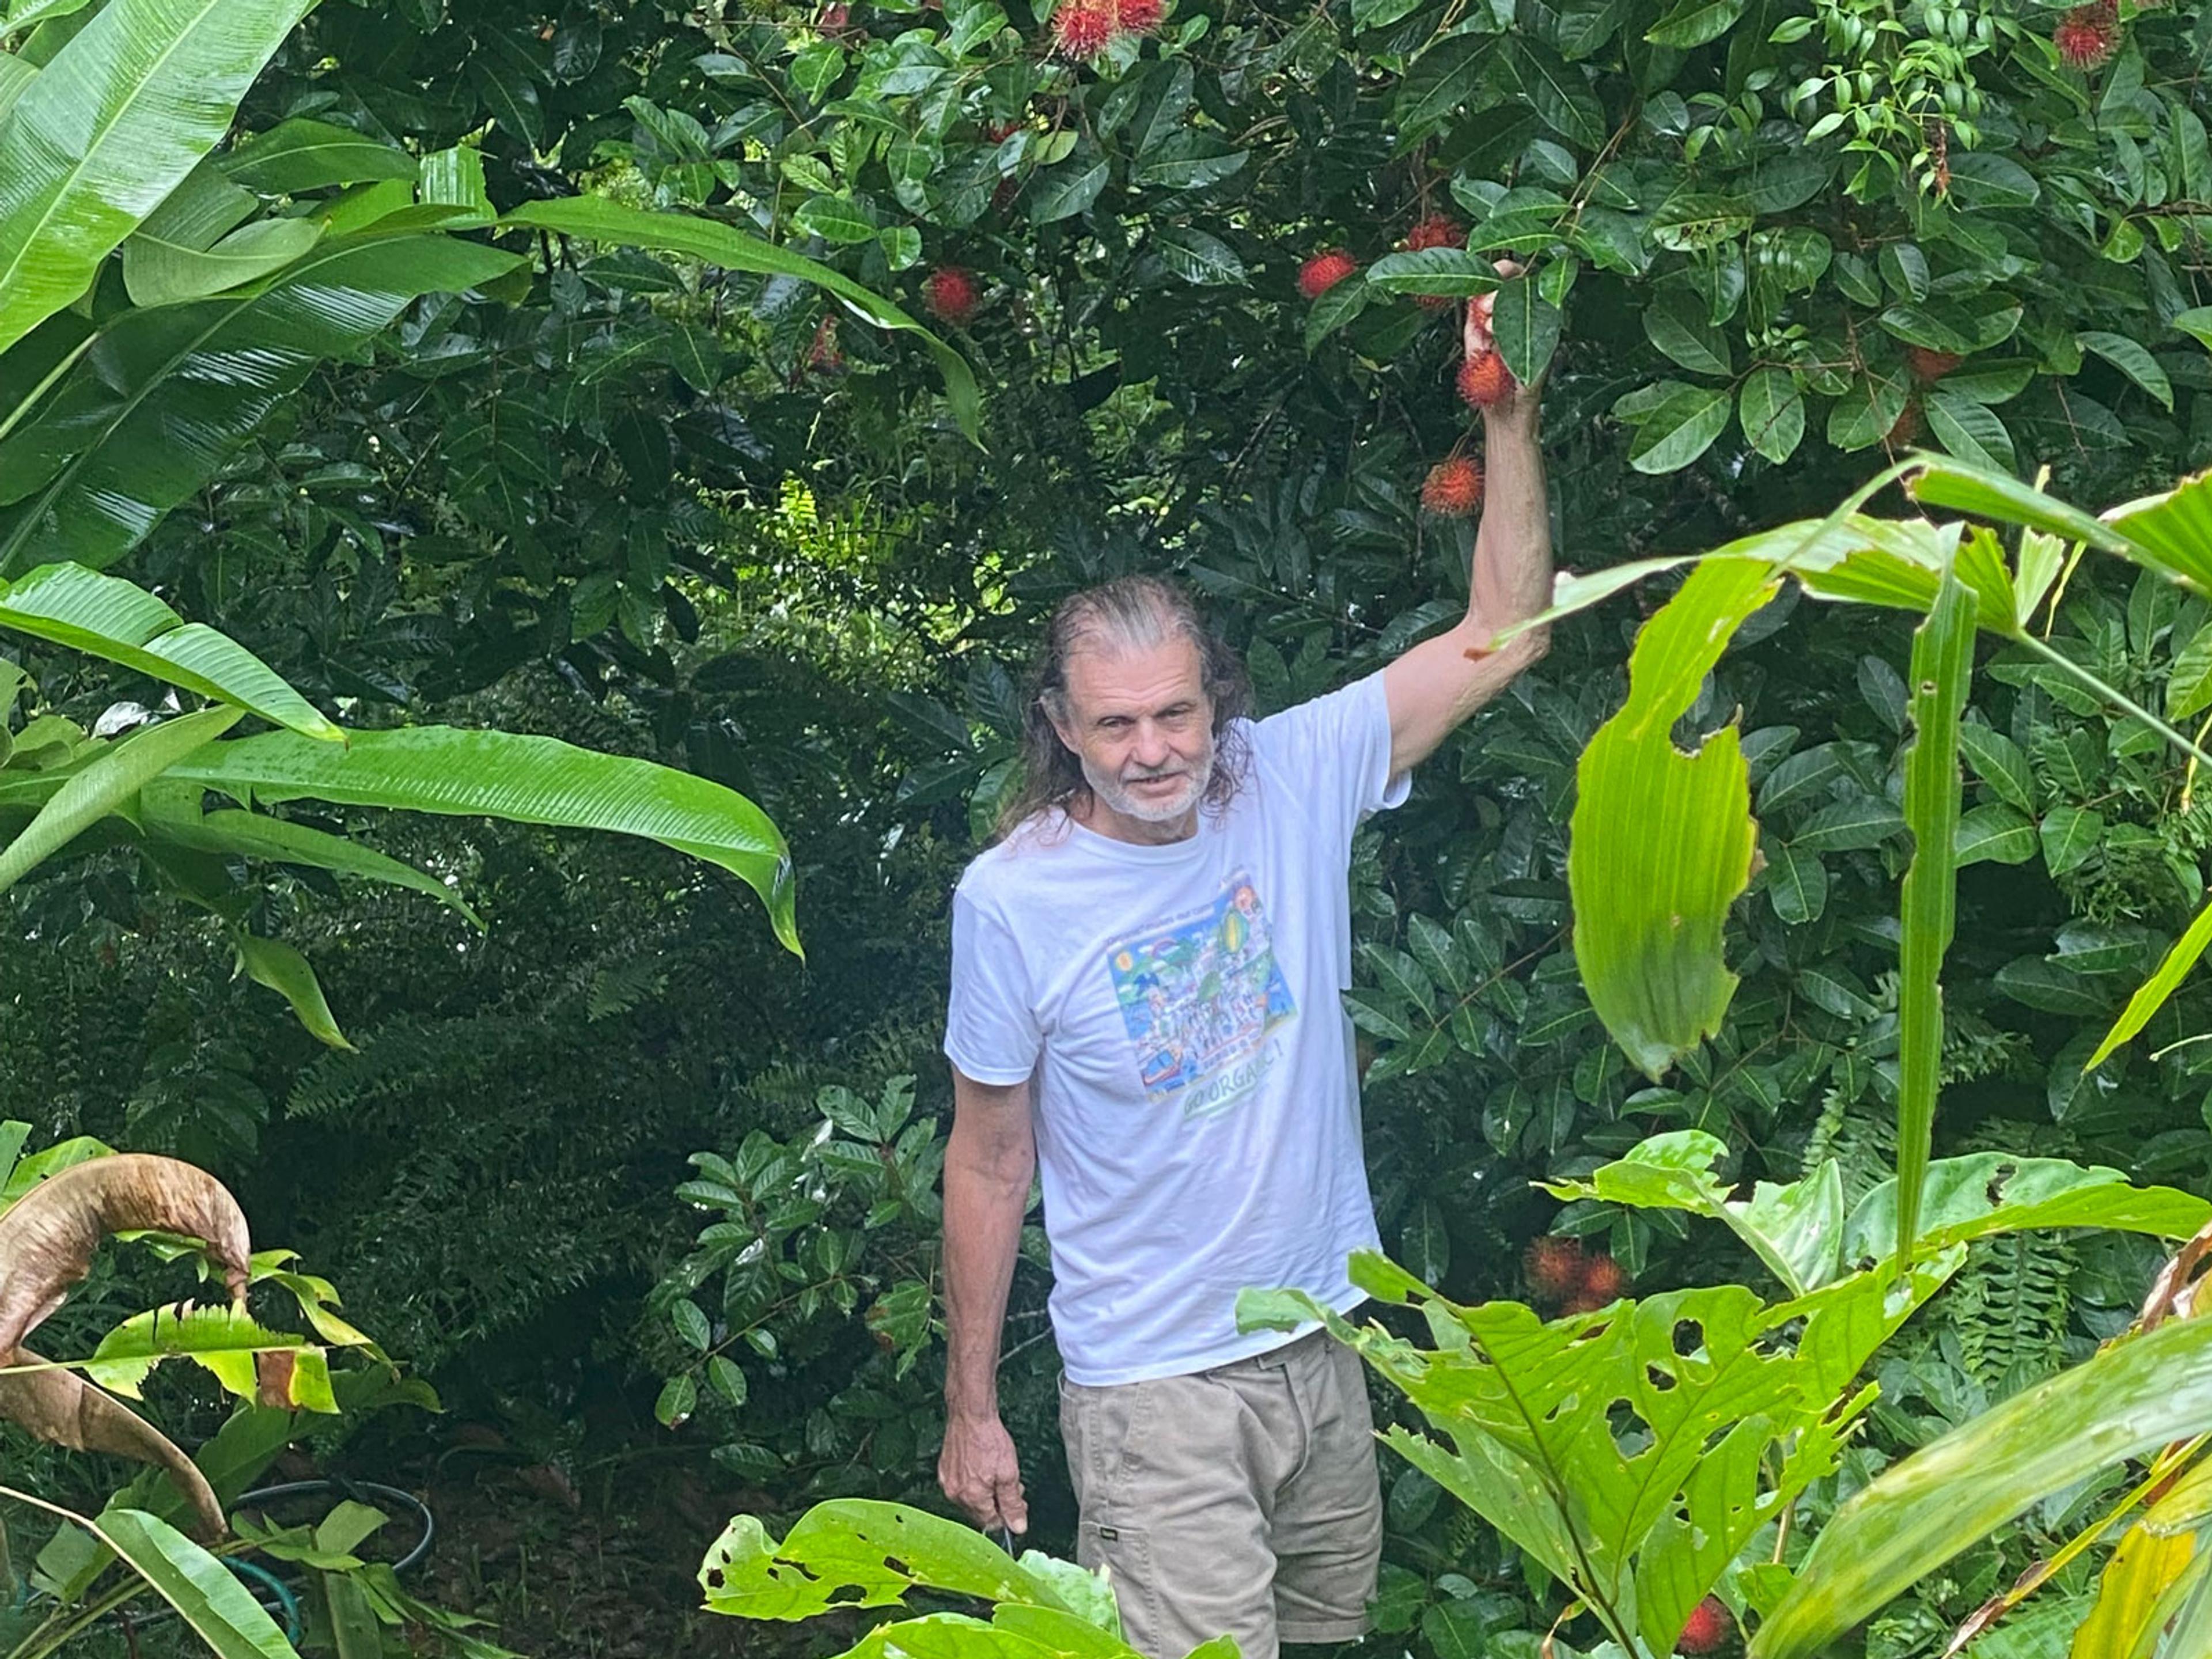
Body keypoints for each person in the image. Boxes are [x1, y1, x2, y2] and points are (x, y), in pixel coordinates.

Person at [938, 290, 1552, 1659]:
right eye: (1117, 724)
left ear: (1220, 698)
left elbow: (1509, 627)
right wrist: (972, 1403)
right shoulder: (1014, 901)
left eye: (1177, 713)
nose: (1154, 749)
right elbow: (988, 1163)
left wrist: (1508, 416)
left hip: (1327, 1336)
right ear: (1061, 729)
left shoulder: (1290, 774)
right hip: (1153, 1386)